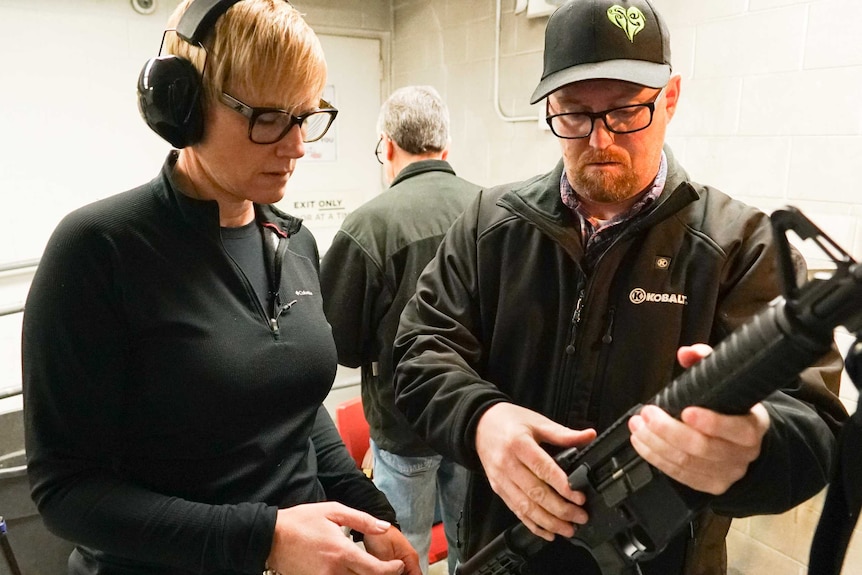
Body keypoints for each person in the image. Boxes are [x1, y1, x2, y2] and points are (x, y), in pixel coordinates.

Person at [391, 0, 848, 573]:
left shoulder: (742, 247)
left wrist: (756, 447)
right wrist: (481, 419)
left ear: (671, 99)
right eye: (574, 115)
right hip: (507, 553)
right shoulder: (490, 225)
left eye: (627, 112)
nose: (600, 140)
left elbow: (815, 423)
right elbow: (419, 350)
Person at [21, 1, 420, 575]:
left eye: (305, 116)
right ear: (184, 106)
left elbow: (297, 413)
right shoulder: (99, 252)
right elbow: (66, 492)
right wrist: (263, 539)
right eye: (267, 118)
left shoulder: (295, 243)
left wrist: (373, 517)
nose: (297, 146)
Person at [320, 85, 480, 575]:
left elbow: (337, 345)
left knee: (399, 549)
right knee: (471, 543)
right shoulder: (491, 209)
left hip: (403, 423)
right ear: (446, 147)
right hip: (474, 420)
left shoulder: (367, 226)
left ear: (387, 147)